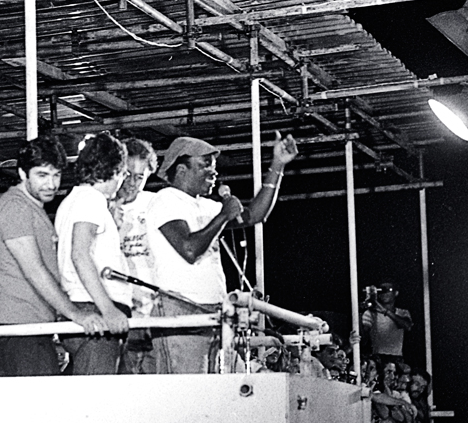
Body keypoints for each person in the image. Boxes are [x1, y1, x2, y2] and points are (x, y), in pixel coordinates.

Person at [147, 131, 297, 374]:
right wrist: (223, 216)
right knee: (186, 390)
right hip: (182, 308)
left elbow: (255, 215)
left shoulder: (207, 205)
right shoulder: (165, 200)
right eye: (205, 165)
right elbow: (189, 249)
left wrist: (277, 166)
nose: (213, 172)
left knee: (214, 390)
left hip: (214, 309)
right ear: (182, 170)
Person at [0, 135, 107, 377]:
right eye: (42, 175)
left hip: (24, 328)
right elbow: (34, 270)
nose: (51, 184)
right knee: (45, 412)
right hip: (18, 329)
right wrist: (75, 313)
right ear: (22, 173)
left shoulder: (31, 209)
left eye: (56, 175)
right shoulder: (15, 207)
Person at [55, 132, 131, 375]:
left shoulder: (73, 200)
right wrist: (108, 308)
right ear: (115, 170)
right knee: (96, 401)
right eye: (124, 172)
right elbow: (80, 254)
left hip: (86, 306)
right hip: (94, 311)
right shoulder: (91, 200)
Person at [115, 137, 159, 374]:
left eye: (140, 177)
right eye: (127, 174)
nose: (132, 183)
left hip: (156, 314)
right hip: (122, 314)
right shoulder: (101, 205)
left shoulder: (156, 204)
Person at [361, 281, 413, 365]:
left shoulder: (402, 312)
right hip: (378, 357)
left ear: (396, 293)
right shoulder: (371, 313)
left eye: (388, 290)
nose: (384, 293)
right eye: (381, 290)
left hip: (396, 357)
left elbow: (407, 326)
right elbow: (364, 337)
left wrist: (385, 311)